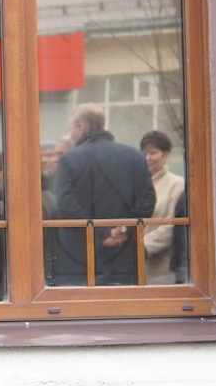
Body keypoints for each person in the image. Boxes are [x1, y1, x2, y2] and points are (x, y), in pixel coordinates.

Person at [53, 104, 155, 286]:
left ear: (81, 128)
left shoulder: (69, 159)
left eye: (70, 129)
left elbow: (65, 204)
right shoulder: (134, 156)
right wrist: (125, 228)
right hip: (125, 260)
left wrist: (101, 232)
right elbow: (148, 199)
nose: (70, 134)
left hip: (80, 260)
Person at [140, 130, 186, 284]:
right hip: (135, 268)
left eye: (153, 153)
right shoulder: (138, 184)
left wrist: (142, 246)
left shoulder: (177, 185)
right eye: (144, 153)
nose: (148, 158)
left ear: (165, 155)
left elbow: (174, 224)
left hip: (161, 269)